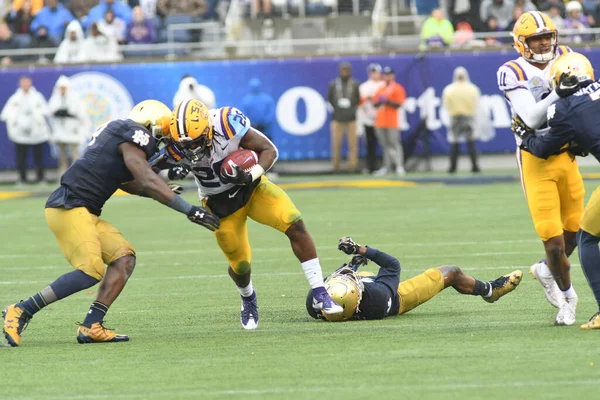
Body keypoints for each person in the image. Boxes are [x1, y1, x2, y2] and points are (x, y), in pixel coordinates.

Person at [1, 100, 220, 347]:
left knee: (124, 257)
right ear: (153, 126)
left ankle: (91, 325)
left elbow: (130, 183)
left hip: (84, 211)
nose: (161, 140)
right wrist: (189, 210)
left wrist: (166, 183)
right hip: (70, 206)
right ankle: (21, 310)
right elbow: (146, 178)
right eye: (162, 133)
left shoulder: (119, 135)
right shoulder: (134, 133)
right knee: (90, 270)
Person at [157, 99, 344, 330]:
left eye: (196, 142)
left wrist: (250, 175)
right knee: (240, 264)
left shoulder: (226, 123)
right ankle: (248, 298)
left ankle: (319, 292)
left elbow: (269, 150)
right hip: (219, 204)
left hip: (252, 189)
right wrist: (167, 179)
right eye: (187, 144)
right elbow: (147, 171)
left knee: (294, 222)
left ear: (207, 127)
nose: (192, 149)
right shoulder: (175, 143)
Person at [496, 11, 584, 325]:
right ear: (523, 43)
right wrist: (559, 93)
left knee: (577, 232)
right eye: (537, 38)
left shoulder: (568, 56)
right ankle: (568, 299)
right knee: (554, 240)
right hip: (536, 158)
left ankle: (546, 271)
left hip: (567, 154)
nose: (545, 42)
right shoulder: (511, 71)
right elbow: (532, 118)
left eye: (547, 36)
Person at [515, 52, 600, 330]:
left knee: (585, 238)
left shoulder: (564, 108)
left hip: (551, 158)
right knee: (564, 238)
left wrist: (525, 137)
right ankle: (557, 285)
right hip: (551, 169)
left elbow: (543, 146)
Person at [306, 237, 522, 321]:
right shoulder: (377, 300)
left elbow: (335, 282)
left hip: (363, 293)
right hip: (396, 297)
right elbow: (392, 266)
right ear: (358, 296)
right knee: (451, 272)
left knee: (354, 274)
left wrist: (350, 267)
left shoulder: (316, 303)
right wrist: (362, 250)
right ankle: (491, 291)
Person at [0, 75, 50, 185]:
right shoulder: (15, 98)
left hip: (37, 133)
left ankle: (41, 178)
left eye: (27, 83)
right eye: (24, 83)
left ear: (30, 84)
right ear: (20, 84)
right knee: (21, 157)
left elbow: (46, 111)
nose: (26, 85)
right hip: (20, 133)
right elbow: (5, 114)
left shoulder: (37, 97)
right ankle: (22, 179)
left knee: (38, 157)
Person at [48, 75, 90, 177]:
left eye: (64, 88)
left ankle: (77, 176)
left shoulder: (75, 99)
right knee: (62, 158)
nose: (62, 90)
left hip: (72, 132)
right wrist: (57, 112)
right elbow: (49, 111)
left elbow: (81, 114)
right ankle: (62, 176)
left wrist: (70, 113)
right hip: (60, 132)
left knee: (74, 155)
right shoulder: (55, 99)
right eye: (60, 88)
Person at [442, 66, 481, 173]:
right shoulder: (472, 89)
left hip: (455, 117)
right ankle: (475, 166)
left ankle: (452, 167)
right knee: (471, 142)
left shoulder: (449, 89)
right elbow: (477, 105)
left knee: (454, 143)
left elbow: (445, 106)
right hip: (468, 117)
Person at [240, 78, 277, 179]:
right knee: (268, 149)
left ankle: (254, 172)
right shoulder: (267, 99)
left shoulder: (246, 100)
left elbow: (244, 116)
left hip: (252, 131)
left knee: (254, 151)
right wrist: (264, 123)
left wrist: (253, 125)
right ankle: (270, 172)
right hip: (266, 129)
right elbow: (271, 113)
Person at [327, 62, 360, 173]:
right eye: (343, 70)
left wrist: (350, 106)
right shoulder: (334, 84)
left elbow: (357, 99)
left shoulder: (354, 84)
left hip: (352, 119)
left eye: (347, 70)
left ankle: (352, 167)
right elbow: (330, 99)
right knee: (336, 144)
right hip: (337, 119)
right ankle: (336, 167)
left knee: (353, 145)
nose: (345, 73)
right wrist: (338, 105)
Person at [373, 66, 406, 176]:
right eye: (386, 75)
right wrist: (381, 102)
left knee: (394, 144)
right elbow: (375, 103)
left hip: (392, 121)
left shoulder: (397, 88)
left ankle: (399, 166)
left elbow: (399, 104)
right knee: (384, 145)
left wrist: (388, 101)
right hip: (380, 121)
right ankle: (386, 166)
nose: (388, 77)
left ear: (393, 76)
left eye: (390, 74)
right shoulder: (380, 89)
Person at [358, 63, 384, 174]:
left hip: (382, 119)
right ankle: (371, 166)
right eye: (372, 72)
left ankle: (386, 165)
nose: (374, 74)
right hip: (368, 119)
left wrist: (374, 99)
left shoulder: (383, 85)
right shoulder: (364, 86)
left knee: (384, 144)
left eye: (376, 72)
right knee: (370, 144)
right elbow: (360, 103)